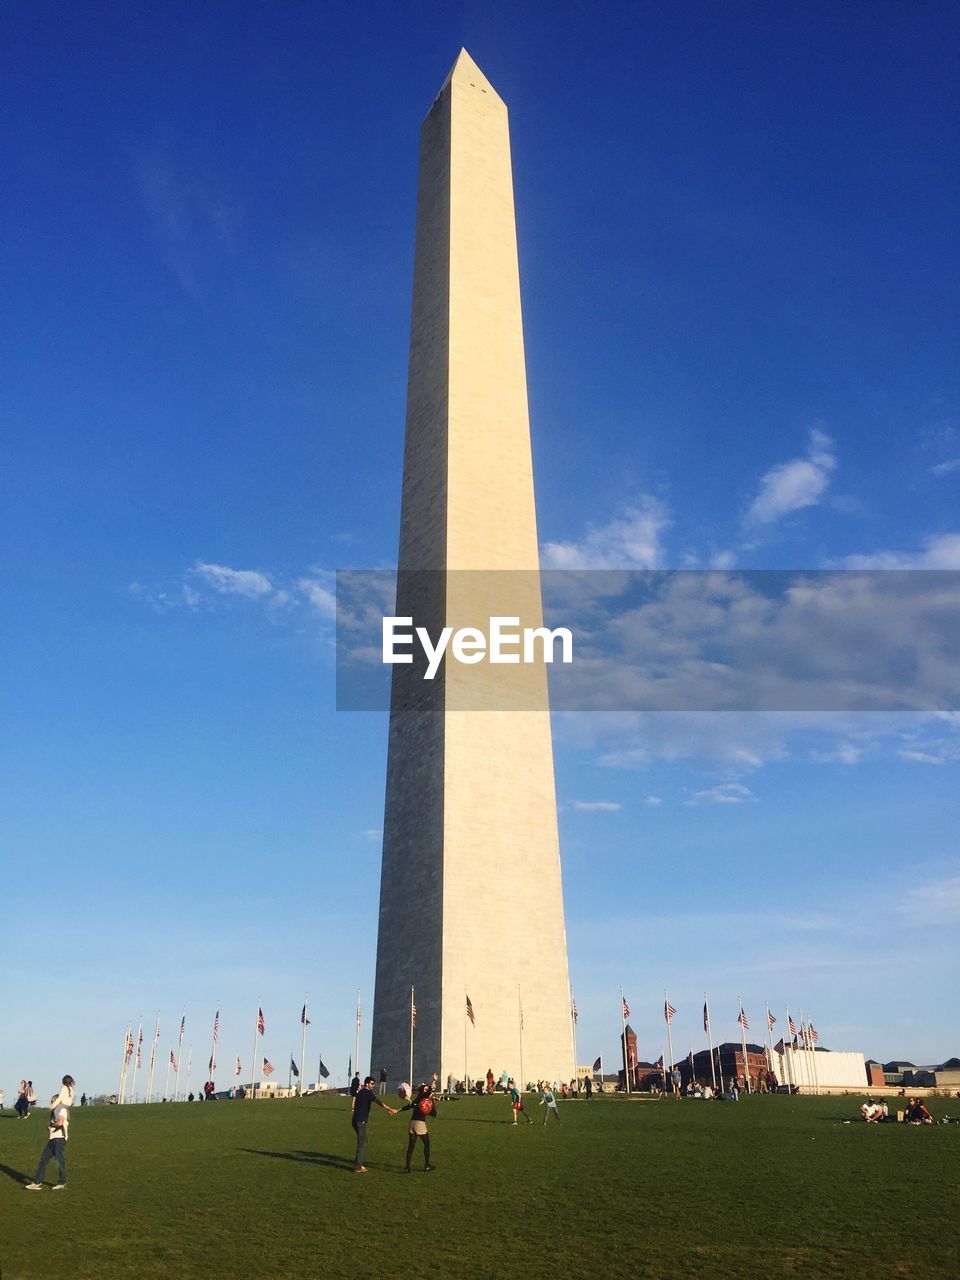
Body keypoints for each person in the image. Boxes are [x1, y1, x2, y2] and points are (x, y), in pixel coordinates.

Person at [351, 1076, 396, 1172]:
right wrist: (389, 1109)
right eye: (372, 1083)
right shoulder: (367, 1093)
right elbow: (379, 1102)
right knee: (362, 1143)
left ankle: (357, 1163)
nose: (373, 1085)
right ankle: (358, 1166)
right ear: (367, 1083)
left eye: (374, 1084)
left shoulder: (361, 1092)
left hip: (355, 1120)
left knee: (363, 1141)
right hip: (361, 1121)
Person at [25, 1096, 70, 1190]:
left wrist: (51, 1125)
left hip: (59, 1139)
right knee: (43, 1160)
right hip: (52, 1140)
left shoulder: (62, 1110)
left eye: (52, 1101)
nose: (51, 1103)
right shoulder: (54, 1112)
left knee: (60, 1161)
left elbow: (60, 1123)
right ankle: (37, 1182)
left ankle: (62, 1182)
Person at [399, 1083, 437, 1172]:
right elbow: (434, 1113)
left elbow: (408, 1106)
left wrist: (396, 1110)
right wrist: (434, 1081)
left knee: (411, 1146)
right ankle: (427, 1165)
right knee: (427, 1144)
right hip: (420, 1124)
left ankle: (407, 1168)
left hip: (412, 1123)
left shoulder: (417, 1098)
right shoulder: (426, 1097)